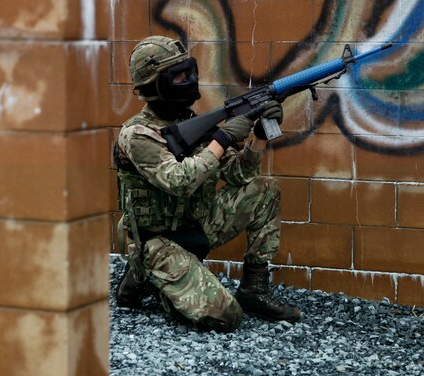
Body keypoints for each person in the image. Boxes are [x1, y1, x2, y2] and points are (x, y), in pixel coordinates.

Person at [114, 35, 301, 332]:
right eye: (177, 76)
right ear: (153, 85)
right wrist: (223, 138)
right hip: (156, 240)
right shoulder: (137, 134)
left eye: (188, 72)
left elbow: (238, 175)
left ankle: (254, 290)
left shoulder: (194, 125)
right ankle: (145, 273)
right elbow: (179, 181)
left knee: (265, 190)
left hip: (197, 225)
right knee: (225, 316)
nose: (187, 80)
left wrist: (259, 138)